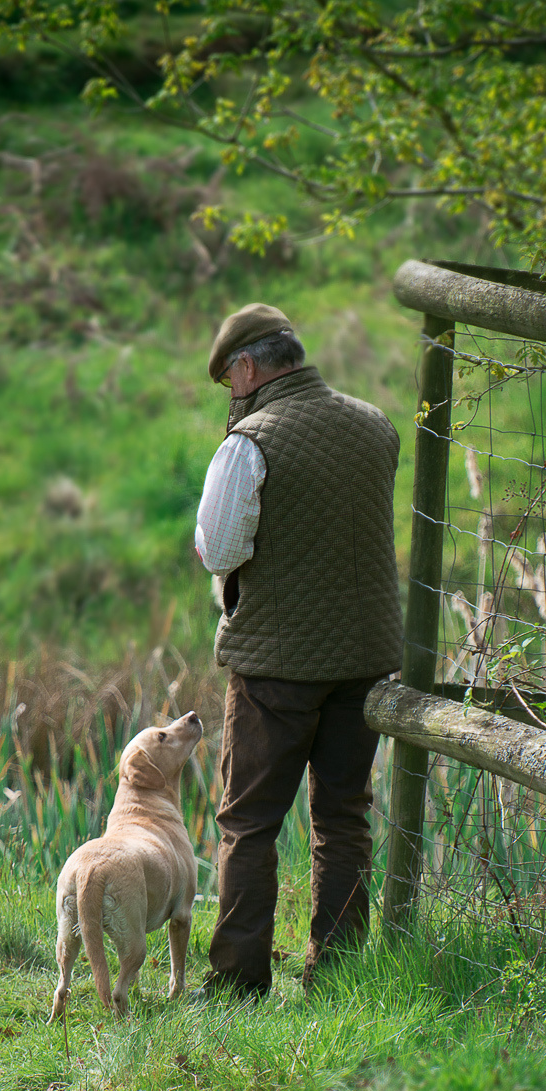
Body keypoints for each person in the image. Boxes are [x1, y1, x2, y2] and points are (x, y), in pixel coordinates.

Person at [193, 301, 403, 1000]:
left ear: (247, 368)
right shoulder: (374, 424)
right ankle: (337, 976)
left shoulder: (248, 441)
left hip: (275, 668)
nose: (231, 394)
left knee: (249, 823)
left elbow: (219, 550)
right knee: (343, 820)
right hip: (364, 661)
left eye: (229, 380)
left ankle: (237, 983)